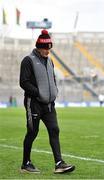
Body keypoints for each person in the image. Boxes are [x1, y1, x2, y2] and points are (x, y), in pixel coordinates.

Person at [19, 29, 75, 174]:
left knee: (54, 130)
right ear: (38, 47)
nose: (47, 51)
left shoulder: (50, 61)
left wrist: (54, 91)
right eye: (45, 48)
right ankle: (26, 163)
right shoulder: (28, 60)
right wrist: (39, 93)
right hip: (34, 103)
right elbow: (24, 82)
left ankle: (59, 163)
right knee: (32, 132)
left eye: (49, 48)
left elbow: (53, 79)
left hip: (49, 104)